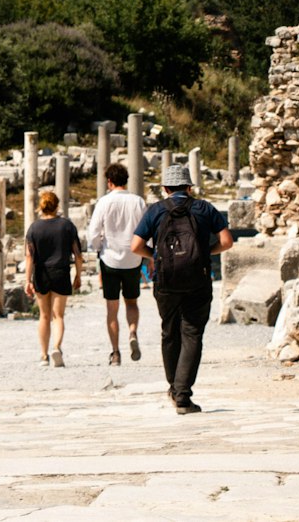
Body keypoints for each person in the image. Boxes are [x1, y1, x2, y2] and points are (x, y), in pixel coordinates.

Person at [131, 163, 233, 415]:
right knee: (192, 333)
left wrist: (153, 256)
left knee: (169, 331)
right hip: (198, 280)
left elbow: (135, 246)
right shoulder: (204, 208)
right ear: (189, 187)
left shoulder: (155, 210)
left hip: (166, 280)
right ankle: (184, 396)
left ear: (165, 188)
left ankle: (174, 388)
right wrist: (205, 252)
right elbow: (227, 242)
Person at [87, 162, 146, 365]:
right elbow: (146, 231)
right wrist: (148, 256)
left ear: (109, 181)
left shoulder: (103, 202)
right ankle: (132, 332)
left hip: (110, 260)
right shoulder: (138, 202)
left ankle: (115, 353)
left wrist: (97, 248)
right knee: (132, 302)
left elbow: (93, 232)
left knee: (112, 308)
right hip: (133, 259)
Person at [24, 189, 82, 367]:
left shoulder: (34, 228)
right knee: (58, 316)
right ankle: (56, 347)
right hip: (61, 271)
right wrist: (78, 275)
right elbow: (78, 254)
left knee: (44, 316)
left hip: (41, 273)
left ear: (41, 207)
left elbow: (29, 256)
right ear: (57, 206)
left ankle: (43, 355)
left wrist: (27, 280)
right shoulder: (67, 226)